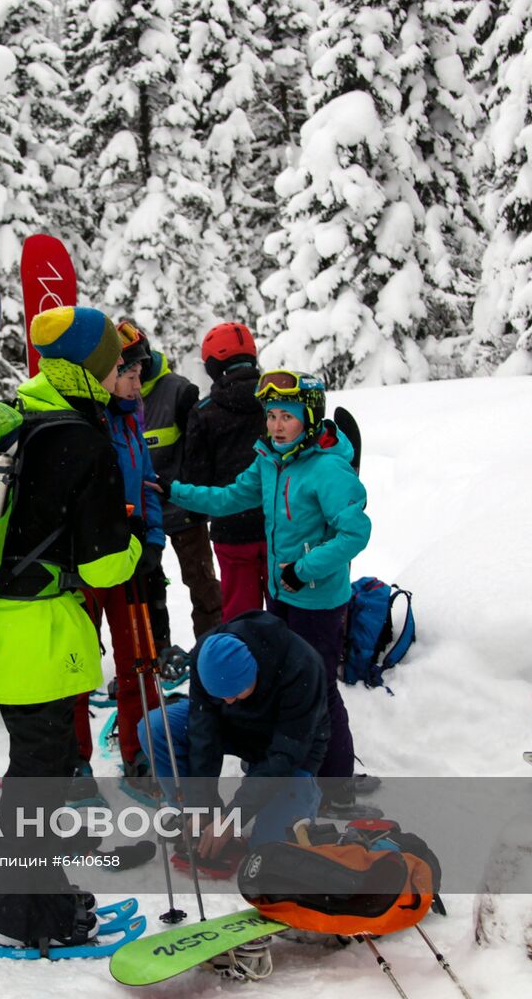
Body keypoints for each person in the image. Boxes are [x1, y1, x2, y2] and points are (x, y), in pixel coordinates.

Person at [0, 305, 142, 948]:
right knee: (39, 771)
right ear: (90, 368)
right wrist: (136, 538)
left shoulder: (21, 417)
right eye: (115, 363)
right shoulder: (82, 441)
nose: (122, 372)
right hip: (39, 630)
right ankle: (25, 914)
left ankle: (36, 892)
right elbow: (106, 566)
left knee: (39, 764)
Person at [160, 369, 374, 817]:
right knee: (286, 684)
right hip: (282, 594)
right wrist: (174, 492)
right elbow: (228, 499)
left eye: (287, 417)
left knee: (319, 692)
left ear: (309, 419)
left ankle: (337, 786)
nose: (276, 425)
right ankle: (287, 765)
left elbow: (355, 532)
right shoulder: (272, 460)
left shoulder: (327, 469)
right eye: (272, 415)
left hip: (316, 601)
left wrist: (303, 568)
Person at [137, 611, 329, 872]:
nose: (226, 701)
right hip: (238, 728)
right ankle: (196, 820)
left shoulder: (302, 666)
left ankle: (299, 798)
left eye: (235, 694)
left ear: (256, 674)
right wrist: (199, 804)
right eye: (220, 697)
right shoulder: (207, 654)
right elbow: (203, 734)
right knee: (157, 727)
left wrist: (232, 819)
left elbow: (285, 755)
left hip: (291, 748)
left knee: (269, 855)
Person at [79, 321, 164, 801]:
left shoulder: (132, 415)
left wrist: (153, 541)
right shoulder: (88, 417)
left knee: (139, 662)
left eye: (139, 375)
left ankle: (142, 751)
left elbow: (148, 483)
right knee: (79, 667)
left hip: (130, 562)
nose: (137, 385)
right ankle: (76, 762)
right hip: (88, 565)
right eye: (130, 375)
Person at [134, 320, 222, 641]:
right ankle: (158, 653)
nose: (132, 374)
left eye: (136, 366)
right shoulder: (113, 395)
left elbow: (201, 449)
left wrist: (194, 495)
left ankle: (212, 649)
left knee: (202, 584)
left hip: (183, 507)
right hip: (144, 514)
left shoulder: (179, 391)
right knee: (149, 588)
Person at [181, 323, 267, 622]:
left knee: (242, 615)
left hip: (232, 529)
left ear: (213, 365)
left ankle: (246, 666)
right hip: (282, 525)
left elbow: (196, 476)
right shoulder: (279, 401)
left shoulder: (205, 412)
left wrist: (193, 514)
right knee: (288, 611)